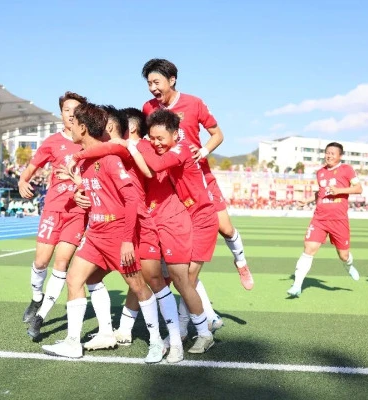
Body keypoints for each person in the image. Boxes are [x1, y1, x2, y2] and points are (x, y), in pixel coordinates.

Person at [42, 103, 164, 363]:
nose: (69, 127)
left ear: (83, 128)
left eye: (73, 123)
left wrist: (127, 240)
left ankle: (156, 342)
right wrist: (79, 193)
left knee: (138, 287)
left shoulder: (109, 159)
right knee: (75, 279)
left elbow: (131, 199)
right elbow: (97, 193)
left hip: (117, 234)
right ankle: (74, 342)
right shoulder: (85, 161)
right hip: (95, 233)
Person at [66, 106, 184, 362]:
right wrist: (79, 190)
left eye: (104, 125)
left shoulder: (128, 148)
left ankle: (172, 341)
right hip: (113, 228)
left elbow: (117, 152)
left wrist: (76, 156)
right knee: (91, 278)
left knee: (152, 283)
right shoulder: (102, 155)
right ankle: (108, 332)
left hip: (138, 226)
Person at [141, 58, 254, 291]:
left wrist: (203, 151)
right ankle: (185, 294)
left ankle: (241, 262)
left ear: (172, 80)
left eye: (156, 82)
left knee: (225, 228)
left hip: (199, 177)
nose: (152, 88)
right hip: (169, 181)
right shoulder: (148, 108)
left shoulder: (194, 103)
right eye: (149, 83)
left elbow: (217, 134)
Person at [128, 109, 219, 353]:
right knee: (183, 281)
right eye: (152, 138)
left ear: (176, 134)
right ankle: (187, 329)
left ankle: (202, 332)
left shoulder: (182, 149)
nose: (156, 143)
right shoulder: (170, 150)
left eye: (160, 138)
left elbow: (156, 165)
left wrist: (137, 144)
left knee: (186, 281)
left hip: (202, 219)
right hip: (189, 216)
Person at [18, 92, 88, 339]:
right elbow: (31, 168)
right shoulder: (52, 142)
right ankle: (36, 298)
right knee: (41, 262)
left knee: (61, 263)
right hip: (53, 209)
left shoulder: (89, 141)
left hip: (77, 212)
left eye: (76, 110)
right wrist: (22, 181)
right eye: (67, 110)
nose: (71, 114)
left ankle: (41, 316)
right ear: (61, 114)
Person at [287, 142, 362, 297]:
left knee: (344, 255)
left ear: (340, 156)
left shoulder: (347, 169)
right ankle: (297, 285)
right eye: (327, 153)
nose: (329, 156)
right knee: (309, 249)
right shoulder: (320, 172)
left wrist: (339, 191)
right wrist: (307, 200)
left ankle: (348, 265)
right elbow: (321, 192)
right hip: (319, 218)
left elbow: (358, 188)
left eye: (332, 153)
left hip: (339, 220)